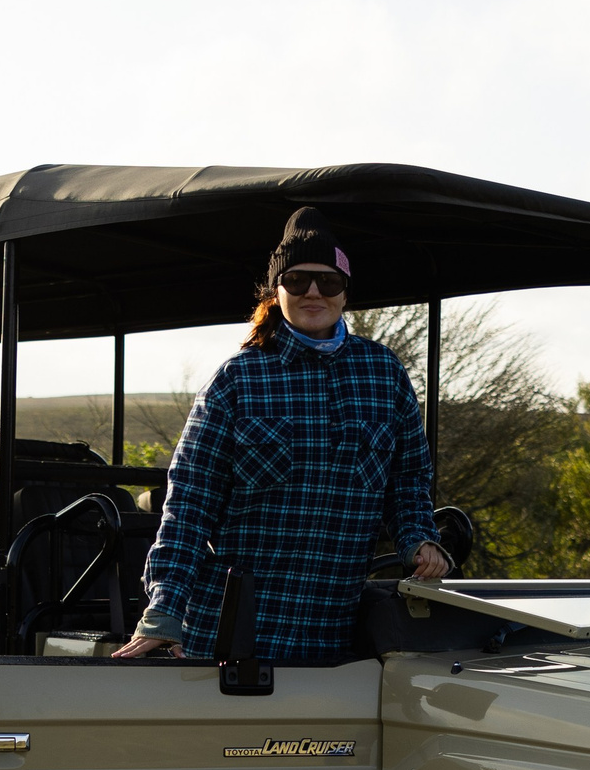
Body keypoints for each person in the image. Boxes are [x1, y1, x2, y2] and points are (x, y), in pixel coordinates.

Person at [116, 206, 448, 663]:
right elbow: (189, 506)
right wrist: (165, 608)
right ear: (277, 290)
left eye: (328, 281)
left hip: (336, 641)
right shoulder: (236, 380)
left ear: (345, 292)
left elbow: (408, 478)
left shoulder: (384, 373)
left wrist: (418, 538)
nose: (313, 292)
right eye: (297, 280)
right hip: (230, 637)